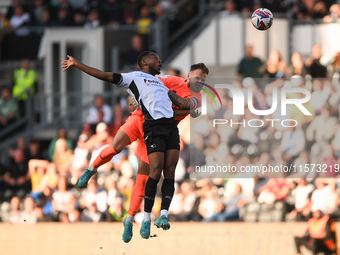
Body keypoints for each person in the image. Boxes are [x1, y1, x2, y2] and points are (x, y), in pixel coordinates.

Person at [61, 51, 197, 239]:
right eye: (156, 59)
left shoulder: (197, 98)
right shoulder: (167, 80)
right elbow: (109, 76)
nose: (160, 61)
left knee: (143, 180)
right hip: (140, 120)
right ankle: (91, 169)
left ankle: (130, 219)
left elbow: (180, 109)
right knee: (115, 146)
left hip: (158, 130)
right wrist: (78, 64)